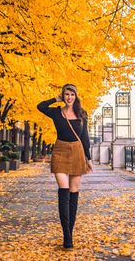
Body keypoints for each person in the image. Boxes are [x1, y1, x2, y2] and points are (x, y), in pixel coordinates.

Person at [37, 84, 93, 250]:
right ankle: (66, 236)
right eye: (66, 94)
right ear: (63, 95)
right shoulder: (56, 112)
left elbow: (85, 137)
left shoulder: (82, 114)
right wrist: (55, 99)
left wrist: (88, 158)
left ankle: (70, 232)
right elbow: (40, 106)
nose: (69, 97)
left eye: (72, 94)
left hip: (77, 151)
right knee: (64, 191)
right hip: (60, 151)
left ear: (76, 96)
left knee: (74, 194)